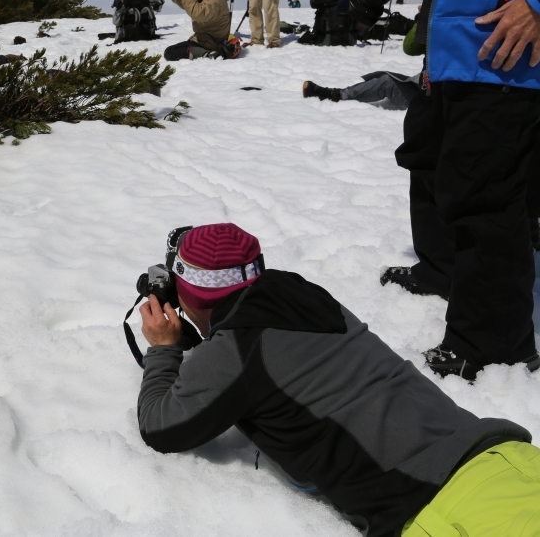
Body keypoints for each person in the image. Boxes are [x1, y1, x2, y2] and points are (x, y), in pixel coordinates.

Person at [135, 223, 540, 537]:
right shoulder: (305, 295)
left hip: (448, 508)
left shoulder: (235, 351)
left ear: (189, 294)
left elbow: (161, 427)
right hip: (508, 458)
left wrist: (163, 348)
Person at [355, 0, 540, 379]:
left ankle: (495, 344)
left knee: (485, 187)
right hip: (457, 31)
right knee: (430, 152)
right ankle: (442, 269)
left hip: (511, 37)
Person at [162, 0, 231, 61]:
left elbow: (198, 13)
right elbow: (189, 4)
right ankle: (205, 53)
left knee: (171, 52)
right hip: (206, 40)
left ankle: (208, 54)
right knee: (172, 51)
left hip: (212, 42)